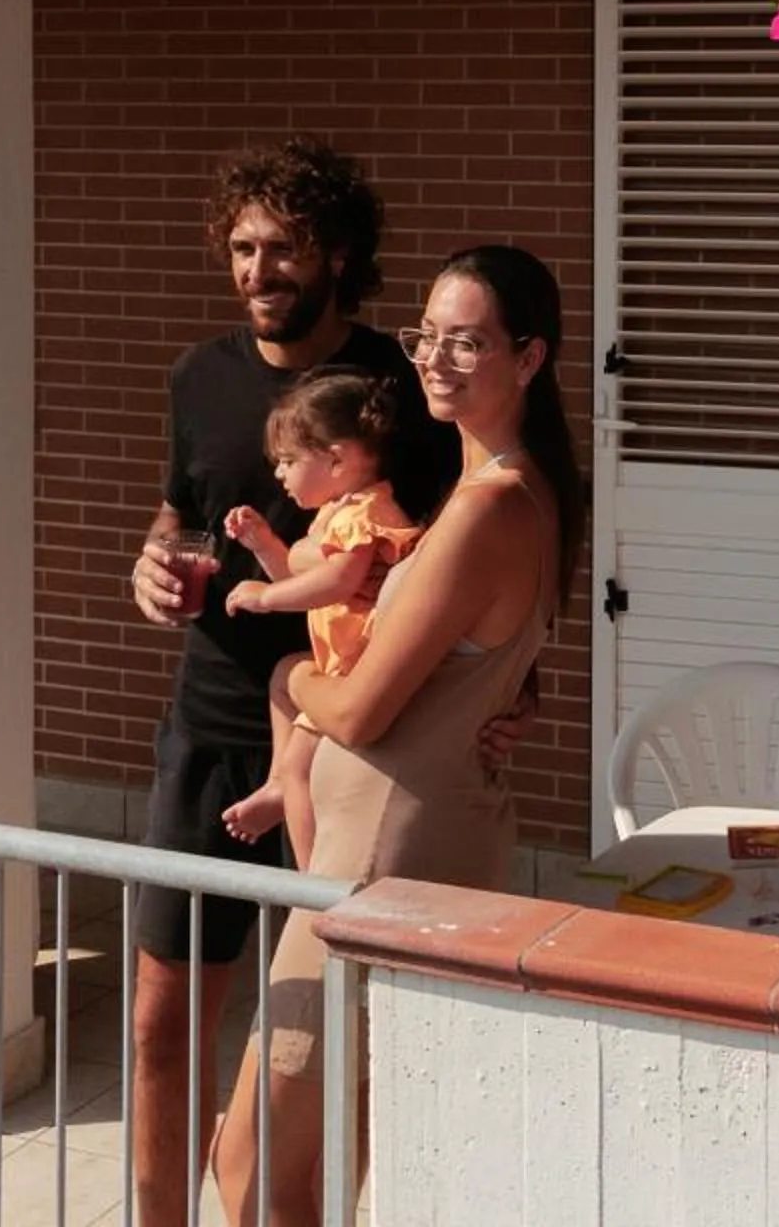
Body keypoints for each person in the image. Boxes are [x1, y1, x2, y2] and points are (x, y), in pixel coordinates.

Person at [211, 245, 578, 1227]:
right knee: (331, 1158)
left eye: (469, 341)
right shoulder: (517, 491)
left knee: (258, 1165)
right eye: (428, 335)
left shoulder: (489, 506)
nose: (436, 358)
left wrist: (289, 675)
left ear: (528, 357)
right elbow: (488, 657)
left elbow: (362, 707)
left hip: (379, 866)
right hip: (397, 849)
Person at [122, 141, 429, 1227]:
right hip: (210, 728)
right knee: (161, 1017)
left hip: (350, 739)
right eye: (244, 247)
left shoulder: (398, 388)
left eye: (284, 248)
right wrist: (152, 565)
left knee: (330, 1037)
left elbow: (450, 554)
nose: (259, 269)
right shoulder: (198, 375)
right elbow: (179, 515)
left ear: (338, 255)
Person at [217, 370, 422, 871]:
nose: (279, 475)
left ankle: (312, 878)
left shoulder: (366, 513)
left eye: (288, 461)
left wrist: (266, 599)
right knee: (283, 678)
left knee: (302, 766)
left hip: (359, 670)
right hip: (339, 664)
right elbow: (301, 578)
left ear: (336, 459)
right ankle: (276, 786)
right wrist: (264, 544)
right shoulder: (337, 512)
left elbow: (338, 583)